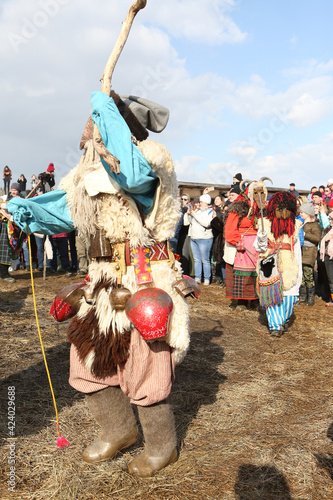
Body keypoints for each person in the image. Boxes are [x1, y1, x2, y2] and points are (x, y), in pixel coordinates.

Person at [6, 89, 190, 478]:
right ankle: (118, 431)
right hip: (101, 281)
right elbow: (62, 211)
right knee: (89, 360)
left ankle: (161, 447)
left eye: (98, 121)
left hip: (143, 280)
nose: (88, 128)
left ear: (119, 125)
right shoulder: (85, 173)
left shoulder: (151, 159)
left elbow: (133, 177)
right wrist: (25, 210)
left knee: (145, 366)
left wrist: (107, 111)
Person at [254, 192, 302, 337]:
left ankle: (285, 318)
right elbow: (259, 247)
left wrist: (298, 274)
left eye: (286, 208)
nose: (282, 212)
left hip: (289, 265)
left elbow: (297, 251)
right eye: (279, 208)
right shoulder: (265, 225)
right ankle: (275, 324)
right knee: (271, 295)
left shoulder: (295, 227)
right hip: (269, 263)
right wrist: (262, 238)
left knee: (289, 296)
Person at [224, 184, 259, 310]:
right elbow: (230, 226)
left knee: (256, 272)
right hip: (242, 243)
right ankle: (241, 301)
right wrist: (235, 241)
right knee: (241, 273)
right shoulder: (239, 207)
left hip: (257, 244)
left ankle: (255, 299)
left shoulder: (262, 208)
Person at [183, 193, 214, 285]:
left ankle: (207, 278)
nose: (199, 204)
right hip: (194, 238)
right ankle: (197, 277)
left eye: (201, 202)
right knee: (197, 259)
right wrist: (189, 215)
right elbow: (188, 223)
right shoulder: (198, 211)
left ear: (206, 202)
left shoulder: (210, 212)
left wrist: (194, 214)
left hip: (204, 238)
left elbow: (206, 223)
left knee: (205, 260)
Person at [298, 203, 321, 306]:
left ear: (308, 213)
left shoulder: (315, 225)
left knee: (308, 275)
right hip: (301, 252)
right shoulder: (301, 223)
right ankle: (302, 296)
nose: (300, 214)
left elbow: (317, 238)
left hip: (309, 252)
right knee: (301, 276)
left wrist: (305, 235)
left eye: (302, 212)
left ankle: (311, 297)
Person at [320, 211, 333, 306]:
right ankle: (332, 299)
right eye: (330, 219)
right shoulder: (327, 229)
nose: (331, 221)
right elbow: (322, 240)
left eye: (332, 219)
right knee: (331, 280)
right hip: (328, 257)